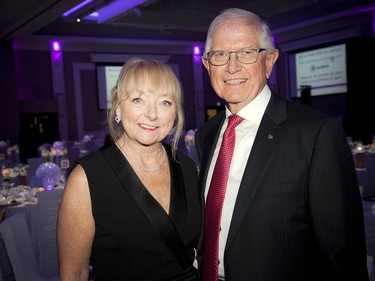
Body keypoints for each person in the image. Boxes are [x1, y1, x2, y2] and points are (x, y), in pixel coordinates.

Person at [195, 8, 369, 281]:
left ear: (270, 61)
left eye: (247, 52)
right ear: (207, 65)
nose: (232, 66)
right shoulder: (206, 135)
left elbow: (343, 252)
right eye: (220, 55)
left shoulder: (316, 133)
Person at [57, 58, 201, 281]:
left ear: (175, 113)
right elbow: (74, 273)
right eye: (138, 100)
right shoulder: (87, 179)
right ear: (117, 106)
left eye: (165, 102)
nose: (152, 114)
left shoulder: (187, 168)